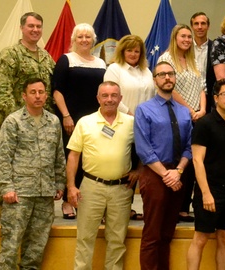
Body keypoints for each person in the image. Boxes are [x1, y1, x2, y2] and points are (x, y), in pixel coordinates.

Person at [0, 78, 66, 270]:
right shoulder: (13, 121)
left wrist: (59, 183)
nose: (38, 96)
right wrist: (5, 187)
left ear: (46, 95)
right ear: (24, 96)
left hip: (44, 194)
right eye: (33, 92)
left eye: (41, 92)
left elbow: (58, 155)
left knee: (35, 250)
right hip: (19, 195)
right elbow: (2, 157)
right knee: (10, 248)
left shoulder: (53, 121)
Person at [66, 81, 137, 270]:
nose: (109, 99)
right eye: (105, 95)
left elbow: (144, 151)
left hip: (121, 190)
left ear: (120, 99)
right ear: (98, 98)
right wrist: (71, 186)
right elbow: (73, 156)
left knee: (117, 240)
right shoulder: (85, 122)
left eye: (114, 95)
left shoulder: (131, 123)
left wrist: (140, 170)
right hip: (91, 187)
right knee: (85, 238)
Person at [134, 62, 194, 269]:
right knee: (152, 234)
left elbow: (189, 146)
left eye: (170, 74)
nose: (167, 78)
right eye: (162, 75)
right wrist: (166, 174)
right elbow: (143, 148)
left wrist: (178, 171)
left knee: (167, 233)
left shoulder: (185, 112)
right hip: (154, 174)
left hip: (179, 173)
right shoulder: (144, 110)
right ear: (155, 80)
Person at [186, 79, 225, 270]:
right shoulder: (204, 124)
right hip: (209, 189)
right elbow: (197, 160)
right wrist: (205, 193)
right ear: (215, 98)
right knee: (201, 238)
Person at [52, 23, 107, 220]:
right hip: (71, 119)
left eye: (88, 37)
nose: (84, 40)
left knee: (91, 158)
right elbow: (57, 91)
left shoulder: (101, 63)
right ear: (73, 40)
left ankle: (89, 201)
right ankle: (68, 200)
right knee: (72, 157)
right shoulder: (67, 60)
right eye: (80, 37)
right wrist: (66, 116)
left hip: (95, 119)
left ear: (93, 40)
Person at [158, 24, 208, 223]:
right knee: (180, 160)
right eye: (183, 36)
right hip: (177, 115)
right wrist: (189, 109)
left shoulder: (192, 59)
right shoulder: (166, 59)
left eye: (189, 37)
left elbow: (202, 87)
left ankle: (186, 206)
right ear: (175, 38)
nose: (187, 40)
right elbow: (169, 88)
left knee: (195, 161)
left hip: (197, 116)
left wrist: (202, 110)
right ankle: (176, 207)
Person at [0, 12, 55, 129]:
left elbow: (51, 90)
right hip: (17, 126)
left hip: (44, 125)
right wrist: (22, 121)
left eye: (38, 26)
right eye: (31, 26)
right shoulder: (10, 54)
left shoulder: (46, 57)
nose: (35, 30)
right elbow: (2, 94)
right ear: (21, 28)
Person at [104, 35, 154, 115]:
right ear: (122, 51)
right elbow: (112, 99)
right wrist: (131, 116)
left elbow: (153, 95)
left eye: (136, 51)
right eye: (129, 50)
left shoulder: (146, 71)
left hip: (146, 119)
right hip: (123, 119)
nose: (133, 54)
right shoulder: (114, 69)